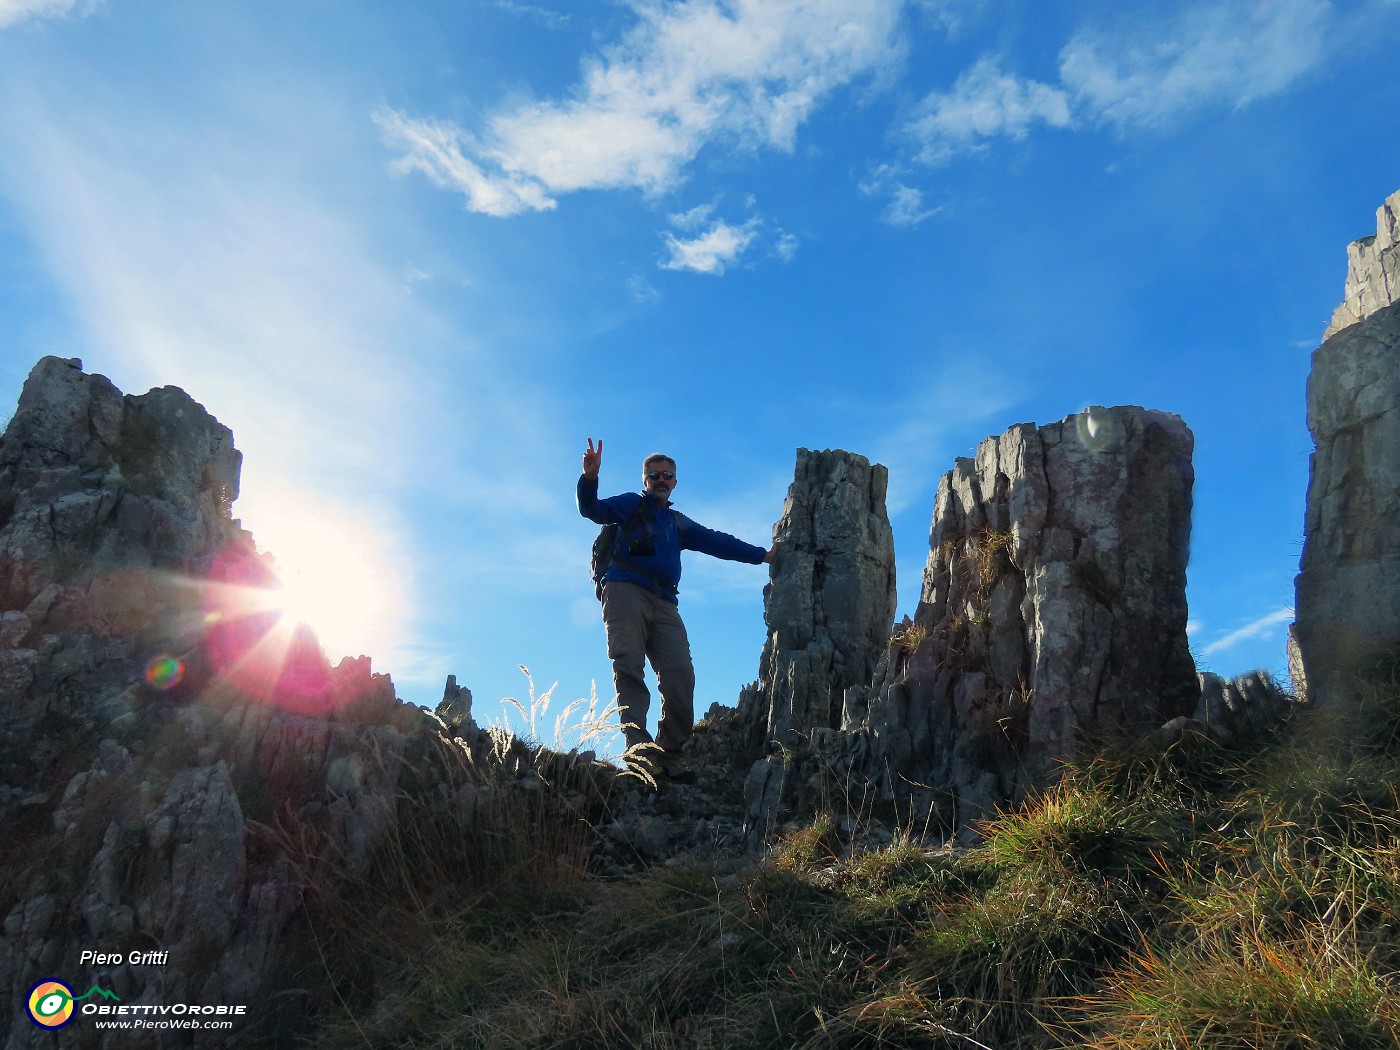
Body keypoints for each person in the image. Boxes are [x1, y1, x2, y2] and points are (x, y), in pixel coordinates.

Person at [578, 438, 775, 782]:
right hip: (625, 589)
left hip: (665, 601)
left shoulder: (676, 522)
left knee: (680, 673)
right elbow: (591, 510)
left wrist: (763, 555)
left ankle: (670, 755)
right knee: (628, 666)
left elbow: (717, 541)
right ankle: (640, 755)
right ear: (645, 480)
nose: (661, 480)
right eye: (654, 475)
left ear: (675, 482)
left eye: (667, 475)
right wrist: (590, 479)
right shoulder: (629, 505)